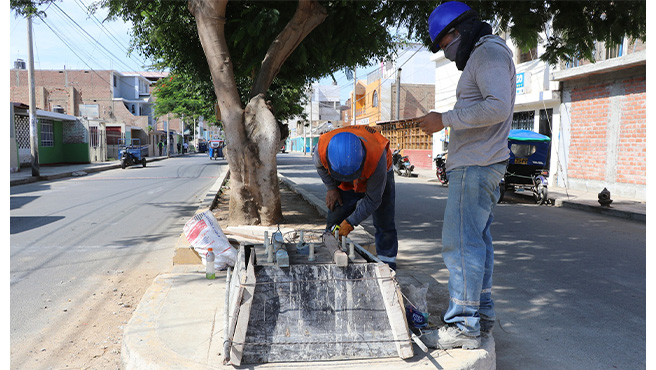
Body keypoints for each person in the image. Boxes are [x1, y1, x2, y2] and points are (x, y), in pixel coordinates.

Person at [415, 1, 516, 350]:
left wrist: (444, 119)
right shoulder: (482, 55)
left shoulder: (487, 54)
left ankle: (463, 326)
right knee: (477, 245)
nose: (445, 51)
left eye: (444, 44)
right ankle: (480, 314)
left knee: (460, 246)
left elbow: (497, 107)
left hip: (476, 165)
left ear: (457, 31)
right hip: (478, 163)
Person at [313, 126, 398, 270]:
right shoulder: (321, 148)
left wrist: (351, 222)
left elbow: (373, 200)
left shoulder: (377, 158)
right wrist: (331, 188)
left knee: (384, 220)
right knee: (337, 211)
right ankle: (330, 249)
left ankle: (387, 263)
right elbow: (320, 167)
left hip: (380, 172)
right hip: (346, 169)